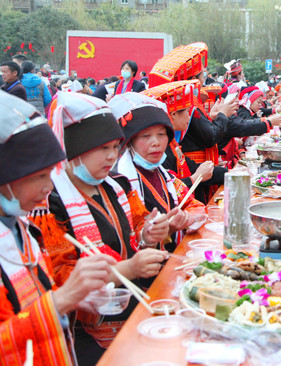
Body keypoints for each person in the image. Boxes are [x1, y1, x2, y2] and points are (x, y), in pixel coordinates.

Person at [37, 91, 170, 365]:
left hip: (131, 307)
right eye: (102, 148)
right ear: (73, 150)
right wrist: (129, 269)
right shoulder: (51, 204)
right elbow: (61, 278)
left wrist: (149, 235)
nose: (111, 157)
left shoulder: (118, 185)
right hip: (81, 332)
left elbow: (137, 231)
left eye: (115, 148)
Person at [0, 90, 116, 365]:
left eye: (51, 174)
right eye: (39, 176)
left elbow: (32, 302)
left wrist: (73, 301)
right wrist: (61, 300)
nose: (49, 188)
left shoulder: (22, 229)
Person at [110, 92, 207, 250]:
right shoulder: (119, 183)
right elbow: (127, 241)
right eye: (146, 136)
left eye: (161, 134)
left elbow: (194, 204)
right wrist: (166, 230)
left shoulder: (165, 176)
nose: (156, 142)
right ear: (130, 142)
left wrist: (187, 217)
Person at [142, 80, 218, 203]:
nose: (189, 117)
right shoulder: (160, 149)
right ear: (173, 115)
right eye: (187, 112)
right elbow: (164, 188)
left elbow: (191, 166)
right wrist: (195, 177)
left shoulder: (172, 144)